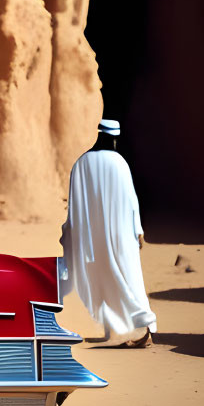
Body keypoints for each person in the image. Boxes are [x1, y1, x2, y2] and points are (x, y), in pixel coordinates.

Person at [60, 119, 155, 347]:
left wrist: (70, 231)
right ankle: (144, 327)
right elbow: (132, 201)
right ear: (113, 139)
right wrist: (138, 230)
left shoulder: (81, 163)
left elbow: (74, 205)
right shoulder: (119, 162)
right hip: (121, 237)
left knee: (99, 281)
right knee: (129, 278)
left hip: (91, 238)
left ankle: (115, 330)